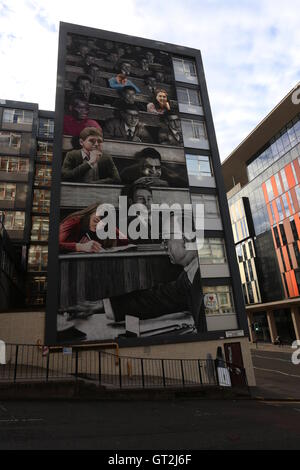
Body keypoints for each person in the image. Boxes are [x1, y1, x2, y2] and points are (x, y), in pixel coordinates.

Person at [63, 233, 205, 332]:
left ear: (186, 241)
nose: (164, 246)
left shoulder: (204, 272)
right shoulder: (188, 276)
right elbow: (153, 300)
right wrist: (102, 305)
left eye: (167, 240)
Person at [59, 202, 128, 254]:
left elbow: (125, 241)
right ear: (89, 214)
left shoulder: (97, 231)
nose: (98, 226)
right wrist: (80, 247)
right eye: (95, 221)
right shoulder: (74, 221)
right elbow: (54, 244)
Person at [120, 147, 187, 187]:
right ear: (140, 166)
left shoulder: (164, 171)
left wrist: (165, 183)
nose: (154, 171)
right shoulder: (128, 172)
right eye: (149, 167)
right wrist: (135, 185)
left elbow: (184, 184)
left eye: (157, 167)